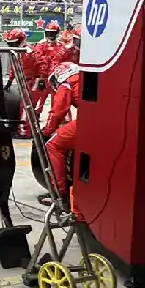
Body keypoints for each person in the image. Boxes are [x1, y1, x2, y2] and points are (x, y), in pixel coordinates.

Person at [42, 61, 82, 204]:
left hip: (91, 120)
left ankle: (59, 194)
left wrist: (46, 132)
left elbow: (58, 112)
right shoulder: (87, 76)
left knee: (53, 145)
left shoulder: (67, 83)